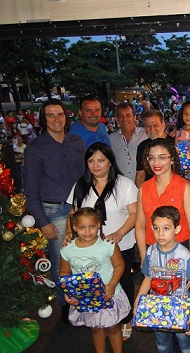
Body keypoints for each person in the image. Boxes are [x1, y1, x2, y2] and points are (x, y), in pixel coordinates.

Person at [64, 142, 137, 341]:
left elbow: (134, 214)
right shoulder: (80, 185)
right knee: (95, 282)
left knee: (122, 281)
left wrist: (119, 234)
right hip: (90, 246)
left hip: (120, 244)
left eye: (101, 160)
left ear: (110, 162)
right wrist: (68, 234)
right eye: (91, 160)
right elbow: (73, 214)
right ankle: (101, 320)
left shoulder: (125, 184)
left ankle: (126, 318)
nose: (96, 165)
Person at [24, 99, 86, 321]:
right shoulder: (35, 148)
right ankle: (66, 308)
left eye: (60, 114)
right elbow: (30, 190)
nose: (56, 119)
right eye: (50, 115)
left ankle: (84, 301)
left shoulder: (77, 142)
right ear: (43, 120)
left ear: (66, 117)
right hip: (55, 213)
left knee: (84, 258)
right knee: (62, 264)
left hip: (81, 208)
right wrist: (43, 221)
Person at [59, 207, 131, 353]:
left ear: (98, 225)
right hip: (86, 298)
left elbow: (119, 265)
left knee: (113, 328)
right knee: (95, 329)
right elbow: (64, 273)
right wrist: (68, 293)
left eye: (92, 226)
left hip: (109, 294)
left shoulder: (108, 245)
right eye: (82, 228)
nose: (87, 232)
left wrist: (112, 285)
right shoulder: (67, 250)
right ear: (74, 227)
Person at [134, 206, 190, 353]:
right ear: (151, 228)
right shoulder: (151, 252)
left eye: (166, 228)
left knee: (186, 346)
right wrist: (139, 302)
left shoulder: (184, 255)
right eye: (156, 228)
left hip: (181, 309)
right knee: (162, 345)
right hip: (157, 308)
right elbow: (148, 278)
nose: (160, 234)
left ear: (176, 229)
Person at [135, 138, 190, 264]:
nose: (156, 162)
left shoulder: (184, 187)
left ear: (172, 159)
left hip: (180, 250)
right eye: (151, 158)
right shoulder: (144, 189)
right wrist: (143, 256)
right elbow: (139, 225)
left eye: (162, 157)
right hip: (152, 249)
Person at [109, 102, 147, 182]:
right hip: (121, 188)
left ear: (134, 117)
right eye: (121, 116)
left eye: (128, 115)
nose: (124, 119)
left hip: (143, 186)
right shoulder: (111, 139)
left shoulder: (145, 135)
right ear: (117, 119)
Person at [135, 110, 173, 188]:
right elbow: (140, 176)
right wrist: (142, 195)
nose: (152, 129)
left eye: (155, 125)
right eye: (148, 126)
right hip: (151, 191)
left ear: (163, 125)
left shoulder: (175, 142)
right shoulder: (142, 146)